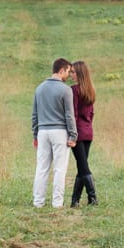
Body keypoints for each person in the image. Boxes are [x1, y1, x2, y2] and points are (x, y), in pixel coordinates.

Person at [32, 58, 77, 208]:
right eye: (68, 71)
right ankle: (57, 202)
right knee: (59, 168)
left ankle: (38, 202)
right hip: (59, 132)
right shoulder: (66, 90)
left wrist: (35, 134)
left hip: (43, 132)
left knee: (42, 168)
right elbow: (69, 115)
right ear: (61, 70)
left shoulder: (39, 88)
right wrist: (73, 135)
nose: (69, 75)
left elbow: (34, 115)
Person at [69, 60, 97, 207]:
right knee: (82, 166)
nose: (71, 75)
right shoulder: (91, 89)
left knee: (83, 167)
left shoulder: (74, 90)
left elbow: (72, 113)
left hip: (78, 133)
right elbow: (91, 113)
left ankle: (93, 198)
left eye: (73, 72)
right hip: (88, 131)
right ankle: (75, 200)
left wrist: (71, 134)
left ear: (79, 73)